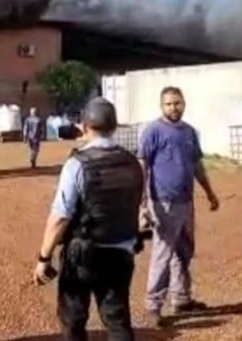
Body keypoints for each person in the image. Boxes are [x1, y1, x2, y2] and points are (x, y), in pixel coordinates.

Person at [33, 97, 144, 341]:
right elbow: (137, 206)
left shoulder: (76, 165)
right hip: (121, 252)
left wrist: (44, 257)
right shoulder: (133, 163)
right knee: (117, 320)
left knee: (73, 320)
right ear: (114, 127)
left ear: (83, 127)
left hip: (83, 255)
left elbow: (60, 217)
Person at [139, 86, 219, 328]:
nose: (174, 108)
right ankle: (153, 306)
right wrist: (142, 203)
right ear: (161, 106)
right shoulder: (153, 131)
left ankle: (181, 298)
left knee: (183, 251)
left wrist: (209, 192)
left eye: (177, 103)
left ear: (184, 103)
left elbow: (196, 166)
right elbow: (143, 165)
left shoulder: (189, 132)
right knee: (163, 254)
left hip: (186, 201)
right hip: (162, 202)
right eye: (169, 104)